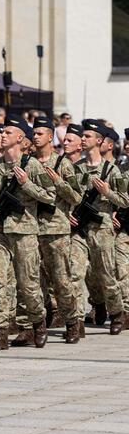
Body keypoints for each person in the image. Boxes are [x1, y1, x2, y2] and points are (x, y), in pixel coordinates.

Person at [0, 116, 56, 351]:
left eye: (8, 132)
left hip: (24, 232)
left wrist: (26, 184)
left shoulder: (31, 165)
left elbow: (50, 196)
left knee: (28, 283)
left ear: (20, 139)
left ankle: (36, 324)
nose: (2, 135)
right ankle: (1, 330)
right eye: (1, 132)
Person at [68, 120, 128, 336]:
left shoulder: (112, 170)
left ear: (100, 141)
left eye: (88, 136)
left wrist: (107, 193)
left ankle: (116, 313)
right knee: (75, 274)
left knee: (106, 275)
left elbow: (124, 200)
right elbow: (67, 196)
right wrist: (67, 214)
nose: (83, 139)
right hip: (80, 229)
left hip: (102, 228)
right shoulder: (76, 168)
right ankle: (75, 322)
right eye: (82, 136)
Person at [27, 116, 82, 343]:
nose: (35, 136)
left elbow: (76, 196)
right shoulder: (26, 162)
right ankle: (38, 325)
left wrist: (59, 182)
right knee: (33, 280)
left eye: (40, 133)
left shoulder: (62, 164)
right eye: (34, 132)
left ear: (51, 137)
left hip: (56, 230)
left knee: (61, 280)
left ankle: (72, 322)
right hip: (29, 228)